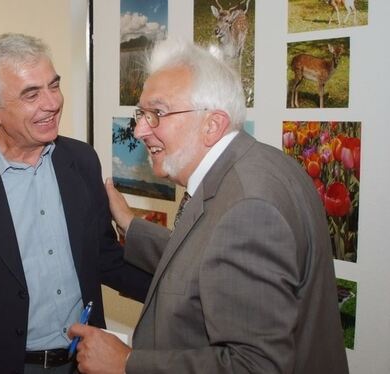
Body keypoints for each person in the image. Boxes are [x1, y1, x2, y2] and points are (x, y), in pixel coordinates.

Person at [68, 37, 349, 373]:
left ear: (212, 124)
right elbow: (206, 259)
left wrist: (127, 363)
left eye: (156, 114)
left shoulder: (248, 208)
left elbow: (253, 366)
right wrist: (131, 223)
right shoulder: (258, 164)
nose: (140, 130)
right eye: (141, 114)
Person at [0, 33, 151, 373]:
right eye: (31, 94)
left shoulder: (81, 161)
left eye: (54, 86)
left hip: (86, 363)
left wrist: (182, 290)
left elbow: (104, 257)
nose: (52, 103)